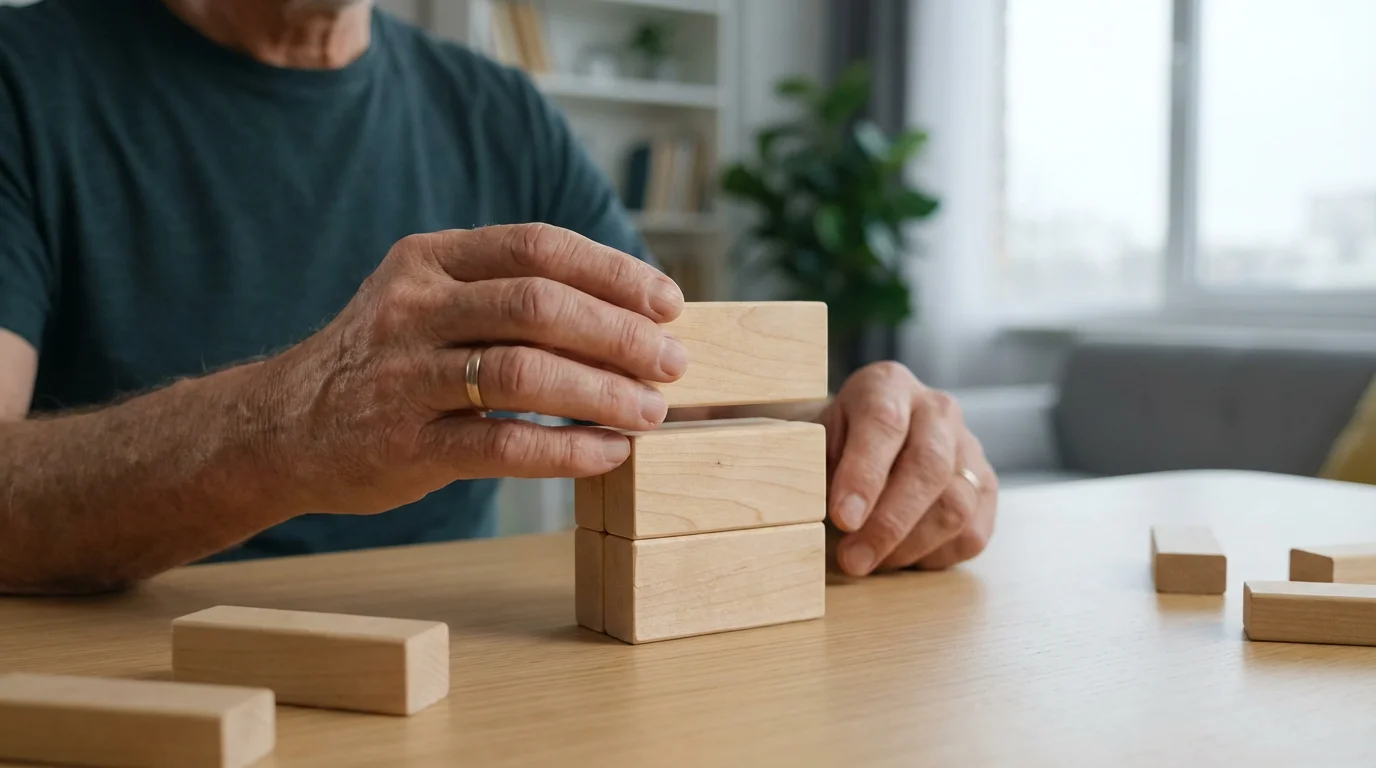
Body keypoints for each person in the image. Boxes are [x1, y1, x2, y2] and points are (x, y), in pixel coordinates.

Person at [0, 0, 997, 595]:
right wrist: (291, 426)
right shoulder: (23, 79)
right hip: (128, 688)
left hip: (462, 688)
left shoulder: (499, 115)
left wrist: (863, 466)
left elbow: (683, 397)